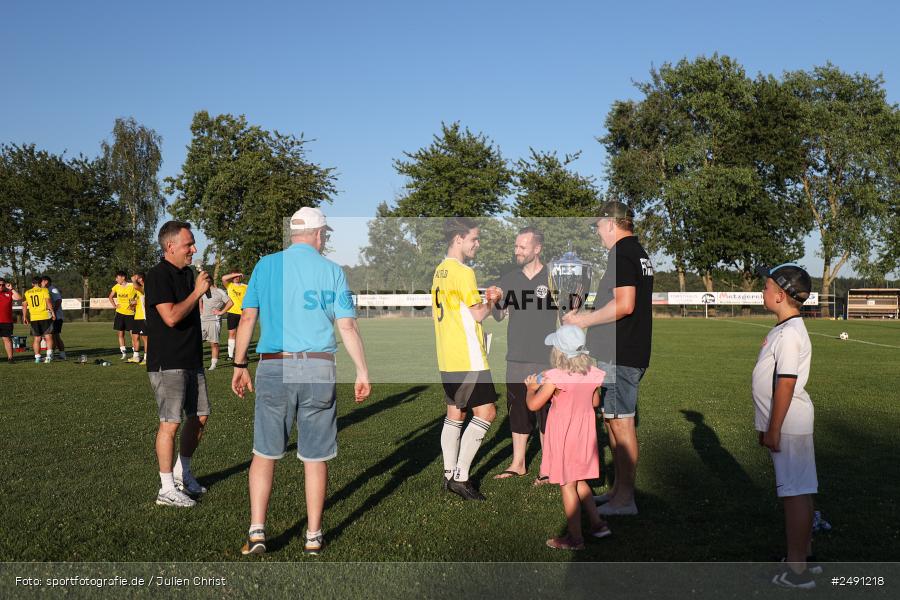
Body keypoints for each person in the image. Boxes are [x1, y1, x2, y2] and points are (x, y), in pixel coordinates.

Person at [231, 206, 371, 556]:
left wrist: (238, 363)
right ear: (319, 234)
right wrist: (363, 371)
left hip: (275, 365)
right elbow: (348, 326)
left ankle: (257, 530)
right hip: (318, 367)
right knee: (315, 457)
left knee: (264, 453)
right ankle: (313, 535)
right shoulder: (333, 271)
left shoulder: (265, 265)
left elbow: (248, 317)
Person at [563, 200, 653, 516]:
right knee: (613, 420)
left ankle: (625, 499)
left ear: (612, 224)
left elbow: (625, 304)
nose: (599, 232)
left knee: (621, 423)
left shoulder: (623, 253)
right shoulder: (636, 252)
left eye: (599, 226)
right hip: (624, 350)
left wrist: (582, 321)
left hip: (621, 352)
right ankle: (617, 492)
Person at [753, 264, 819, 589]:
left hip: (789, 425)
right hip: (789, 423)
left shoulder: (791, 333)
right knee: (801, 491)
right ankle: (804, 554)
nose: (762, 292)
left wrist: (774, 427)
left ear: (780, 294)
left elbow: (786, 383)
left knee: (794, 495)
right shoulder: (786, 328)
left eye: (765, 287)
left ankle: (797, 571)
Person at [432, 217, 500, 501]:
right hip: (468, 356)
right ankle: (461, 477)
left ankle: (449, 473)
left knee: (455, 414)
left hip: (447, 356)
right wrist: (493, 299)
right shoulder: (463, 271)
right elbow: (478, 314)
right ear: (458, 238)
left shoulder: (440, 270)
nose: (477, 243)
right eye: (474, 238)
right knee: (487, 413)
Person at [525, 325, 611, 550]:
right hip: (585, 433)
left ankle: (574, 538)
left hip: (565, 434)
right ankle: (598, 524)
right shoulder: (593, 373)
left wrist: (530, 388)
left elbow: (534, 404)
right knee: (579, 479)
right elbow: (594, 402)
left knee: (567, 483)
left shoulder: (555, 377)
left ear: (558, 352)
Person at [145, 221, 212, 508]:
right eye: (189, 244)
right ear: (170, 246)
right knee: (169, 424)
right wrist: (197, 292)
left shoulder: (187, 274)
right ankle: (166, 489)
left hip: (191, 358)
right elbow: (171, 317)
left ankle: (182, 473)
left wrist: (201, 289)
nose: (194, 249)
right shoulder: (157, 276)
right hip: (168, 362)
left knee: (200, 417)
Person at [490, 227, 558, 484]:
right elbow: (498, 315)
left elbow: (566, 315)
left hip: (546, 357)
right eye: (516, 246)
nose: (516, 251)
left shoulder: (554, 277)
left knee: (547, 413)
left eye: (522, 247)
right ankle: (518, 464)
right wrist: (494, 300)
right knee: (518, 410)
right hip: (516, 356)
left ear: (537, 249)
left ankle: (548, 466)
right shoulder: (509, 279)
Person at [23, 276, 55, 363]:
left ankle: (37, 358)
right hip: (44, 316)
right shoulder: (44, 290)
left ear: (32, 283)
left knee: (37, 338)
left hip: (34, 317)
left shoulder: (27, 292)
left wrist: (24, 316)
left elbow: (24, 305)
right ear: (41, 283)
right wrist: (52, 312)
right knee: (48, 336)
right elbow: (48, 302)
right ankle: (48, 357)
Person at [199, 281, 229, 370]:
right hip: (203, 320)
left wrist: (221, 312)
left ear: (209, 281)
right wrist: (201, 310)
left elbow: (230, 302)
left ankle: (213, 365)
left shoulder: (219, 291)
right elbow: (199, 299)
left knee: (214, 343)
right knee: (197, 343)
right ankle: (199, 364)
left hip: (214, 320)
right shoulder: (202, 291)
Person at [109, 271, 138, 360]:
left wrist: (134, 304)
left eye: (117, 277)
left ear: (123, 277)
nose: (116, 279)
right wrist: (115, 306)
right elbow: (110, 296)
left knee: (133, 335)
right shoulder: (116, 286)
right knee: (120, 334)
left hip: (131, 314)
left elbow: (139, 295)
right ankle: (124, 353)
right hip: (120, 313)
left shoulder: (132, 286)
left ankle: (135, 354)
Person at [222, 272, 247, 360]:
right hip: (232, 313)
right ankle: (230, 355)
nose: (236, 278)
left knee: (242, 335)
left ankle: (243, 354)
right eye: (234, 276)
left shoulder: (245, 286)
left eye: (238, 276)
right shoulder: (229, 285)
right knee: (232, 334)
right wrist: (237, 273)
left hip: (243, 313)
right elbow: (224, 278)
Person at [40, 276, 66, 360]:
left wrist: (53, 311)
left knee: (55, 336)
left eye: (42, 281)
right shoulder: (47, 290)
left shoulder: (53, 289)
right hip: (53, 316)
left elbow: (59, 301)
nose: (40, 283)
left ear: (46, 281)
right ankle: (55, 355)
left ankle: (60, 355)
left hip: (57, 317)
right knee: (54, 336)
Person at [0, 277, 23, 363]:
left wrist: (11, 289)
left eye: (3, 284)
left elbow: (19, 298)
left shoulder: (9, 293)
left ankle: (10, 358)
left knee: (7, 339)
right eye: (0, 285)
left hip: (6, 321)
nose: (1, 286)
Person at [129, 272, 148, 364]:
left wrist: (133, 280)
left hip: (144, 317)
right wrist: (132, 305)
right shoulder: (137, 290)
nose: (135, 279)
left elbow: (137, 287)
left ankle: (146, 357)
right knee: (135, 336)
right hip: (137, 316)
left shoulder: (145, 287)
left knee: (145, 338)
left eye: (137, 278)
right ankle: (136, 356)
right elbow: (136, 302)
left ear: (141, 279)